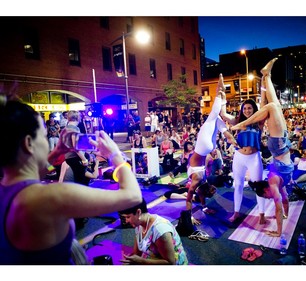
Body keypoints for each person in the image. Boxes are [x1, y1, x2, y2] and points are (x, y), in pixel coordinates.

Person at [0, 95, 142, 264]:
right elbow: (132, 196)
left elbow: (32, 176)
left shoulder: (9, 188)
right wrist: (115, 155)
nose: (47, 143)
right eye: (44, 136)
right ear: (29, 143)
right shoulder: (50, 196)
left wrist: (58, 151)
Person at [231, 58, 293, 237]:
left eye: (267, 197)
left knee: (273, 106)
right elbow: (283, 204)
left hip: (278, 147)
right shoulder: (276, 186)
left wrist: (279, 231)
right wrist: (285, 216)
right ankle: (267, 75)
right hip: (280, 146)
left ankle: (267, 75)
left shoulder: (275, 184)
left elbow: (281, 204)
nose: (271, 198)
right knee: (274, 106)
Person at [186, 74, 238, 225]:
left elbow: (190, 198)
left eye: (212, 189)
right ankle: (222, 96)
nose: (214, 188)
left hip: (203, 147)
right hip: (206, 147)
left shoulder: (197, 181)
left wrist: (189, 217)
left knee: (214, 117)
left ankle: (219, 92)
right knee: (217, 121)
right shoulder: (201, 182)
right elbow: (200, 194)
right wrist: (204, 208)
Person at [220, 97, 266, 223]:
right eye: (244, 108)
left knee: (259, 186)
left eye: (249, 108)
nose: (246, 110)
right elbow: (223, 114)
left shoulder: (259, 122)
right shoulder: (238, 122)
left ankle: (262, 214)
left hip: (254, 158)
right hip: (239, 157)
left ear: (254, 109)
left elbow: (263, 105)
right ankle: (236, 213)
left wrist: (264, 85)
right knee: (238, 185)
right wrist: (223, 96)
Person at [118, 198, 188, 265]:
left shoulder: (160, 230)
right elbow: (137, 253)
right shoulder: (139, 225)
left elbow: (170, 262)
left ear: (138, 212)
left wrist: (141, 261)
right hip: (151, 259)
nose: (126, 221)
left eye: (128, 217)